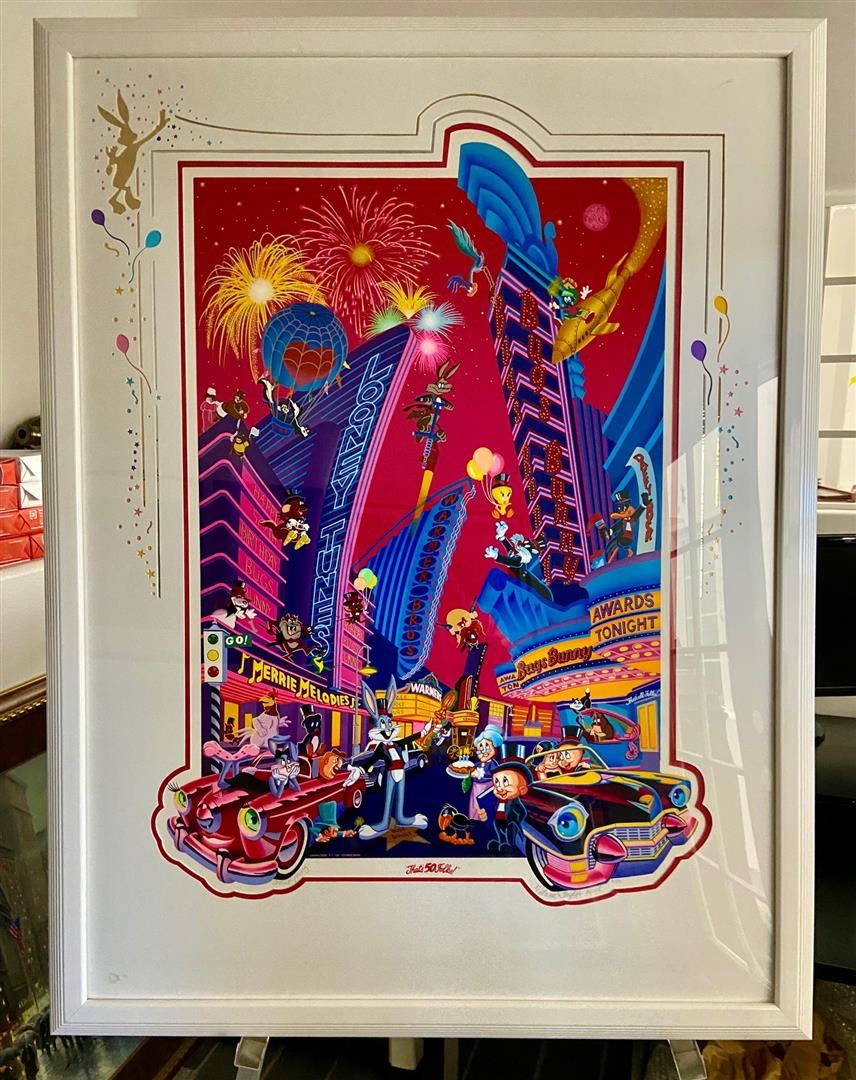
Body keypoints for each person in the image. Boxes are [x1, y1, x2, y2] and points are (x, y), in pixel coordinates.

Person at [487, 760, 532, 853]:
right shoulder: (499, 801)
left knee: (511, 832)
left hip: (510, 822)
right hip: (499, 821)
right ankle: (501, 843)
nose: (499, 788)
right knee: (500, 832)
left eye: (505, 782)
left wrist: (517, 821)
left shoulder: (514, 801)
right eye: (496, 783)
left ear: (522, 790)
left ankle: (511, 845)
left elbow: (522, 812)